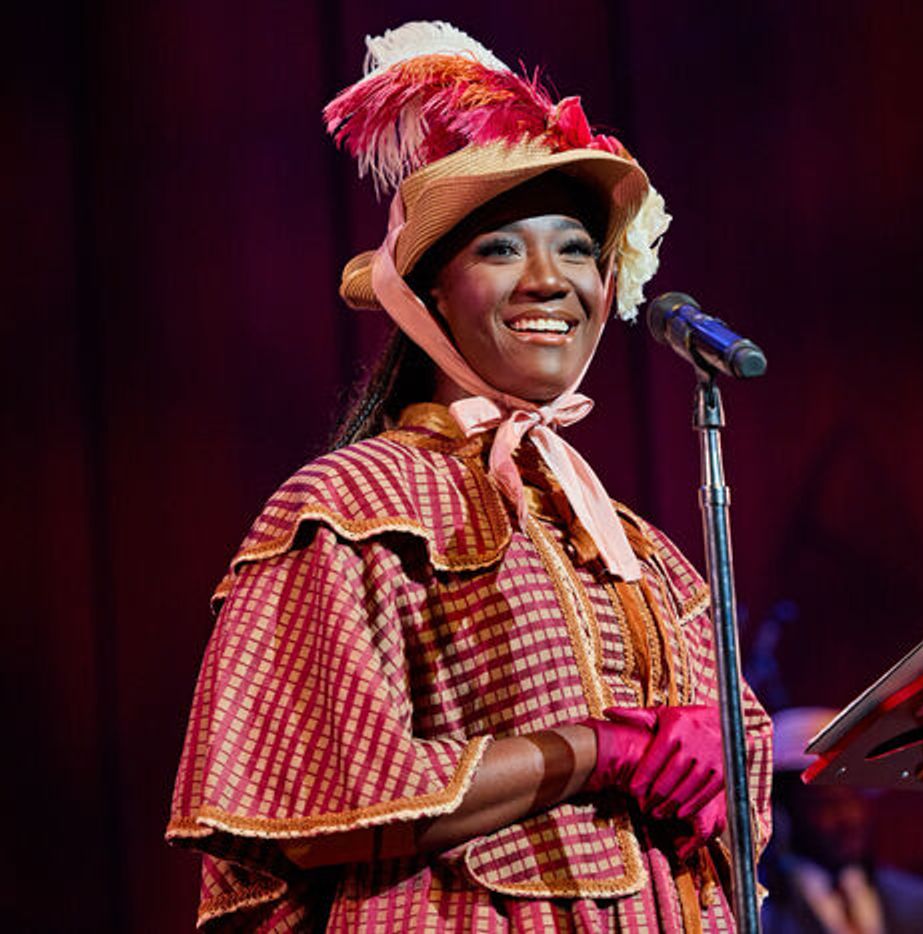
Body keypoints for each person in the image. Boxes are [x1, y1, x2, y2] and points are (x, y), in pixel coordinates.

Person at [166, 21, 771, 932]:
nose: (549, 280)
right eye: (499, 249)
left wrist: (721, 753)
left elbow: (745, 765)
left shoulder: (640, 550)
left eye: (575, 249)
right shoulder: (350, 506)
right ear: (431, 293)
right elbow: (317, 790)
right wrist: (596, 750)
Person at [760, 708, 923, 934]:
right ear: (783, 811)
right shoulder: (759, 919)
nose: (849, 817)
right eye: (827, 804)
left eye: (856, 798)